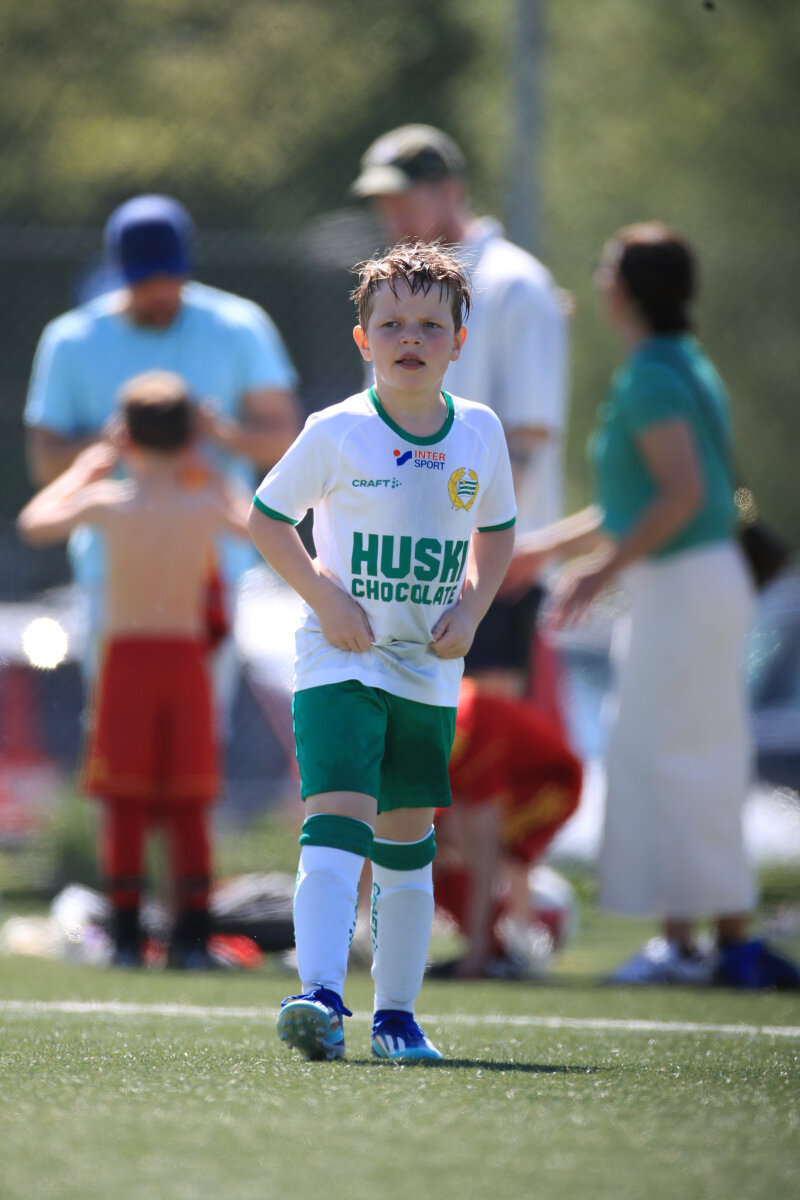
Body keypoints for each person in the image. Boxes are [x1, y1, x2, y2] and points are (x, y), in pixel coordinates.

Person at [505, 222, 800, 990]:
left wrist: (598, 572)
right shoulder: (678, 361)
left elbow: (683, 495)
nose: (601, 277)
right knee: (692, 757)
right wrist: (546, 549)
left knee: (668, 758)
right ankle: (720, 943)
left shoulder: (652, 377)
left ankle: (686, 945)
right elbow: (635, 502)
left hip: (682, 588)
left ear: (629, 289)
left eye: (609, 267)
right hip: (694, 584)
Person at [247, 242, 516, 1060]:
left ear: (458, 342)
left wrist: (472, 608)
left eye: (430, 325)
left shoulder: (480, 431)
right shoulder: (336, 431)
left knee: (406, 844)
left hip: (426, 672)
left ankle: (396, 1017)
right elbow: (266, 520)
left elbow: (499, 534)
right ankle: (321, 998)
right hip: (340, 662)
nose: (411, 338)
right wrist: (324, 598)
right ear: (364, 339)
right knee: (336, 822)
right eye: (392, 323)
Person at [18, 371, 251, 967]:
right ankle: (192, 938)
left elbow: (34, 522)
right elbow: (258, 525)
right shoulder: (202, 503)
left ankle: (125, 938)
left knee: (123, 801)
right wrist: (210, 467)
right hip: (186, 662)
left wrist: (85, 467)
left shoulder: (109, 502)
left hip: (125, 661)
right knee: (189, 801)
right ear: (189, 435)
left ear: (125, 434)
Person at [24, 193, 300, 693]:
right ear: (119, 273)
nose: (159, 292)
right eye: (143, 279)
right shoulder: (70, 339)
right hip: (111, 572)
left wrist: (219, 433)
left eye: (169, 277)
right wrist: (111, 443)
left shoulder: (238, 326)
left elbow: (284, 440)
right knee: (114, 723)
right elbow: (44, 466)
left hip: (212, 569)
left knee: (205, 722)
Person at [351, 124, 569, 695]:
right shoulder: (396, 290)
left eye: (404, 197)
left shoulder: (513, 283)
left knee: (486, 737)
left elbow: (526, 437)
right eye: (383, 202)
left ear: (451, 190)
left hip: (487, 574)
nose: (392, 215)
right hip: (408, 569)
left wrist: (472, 558)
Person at [432, 677, 582, 979]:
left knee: (485, 853)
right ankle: (506, 941)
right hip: (513, 775)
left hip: (548, 782)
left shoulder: (473, 727)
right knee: (437, 847)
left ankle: (506, 946)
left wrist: (475, 954)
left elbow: (485, 845)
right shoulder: (450, 723)